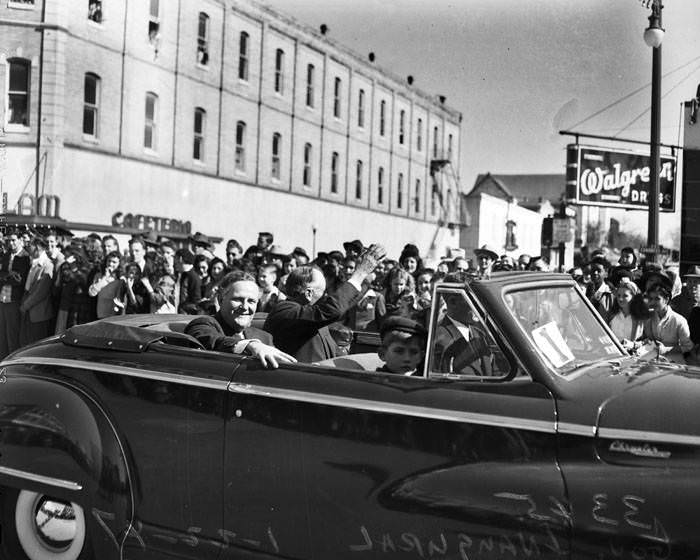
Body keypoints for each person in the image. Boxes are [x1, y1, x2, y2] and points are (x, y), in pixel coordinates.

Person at [264, 244, 386, 362]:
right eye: (323, 292)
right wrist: (360, 273)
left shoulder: (310, 317)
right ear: (309, 294)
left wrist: (364, 278)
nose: (327, 297)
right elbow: (332, 309)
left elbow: (344, 304)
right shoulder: (285, 311)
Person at [185, 271, 296, 368]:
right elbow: (213, 341)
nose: (245, 307)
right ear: (220, 299)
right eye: (238, 299)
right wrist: (250, 346)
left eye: (251, 301)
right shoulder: (203, 325)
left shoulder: (265, 338)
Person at [431, 271, 493, 376]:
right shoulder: (441, 340)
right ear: (453, 302)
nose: (480, 305)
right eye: (473, 300)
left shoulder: (479, 334)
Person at [642, 282, 693, 364]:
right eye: (651, 299)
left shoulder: (679, 320)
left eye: (657, 299)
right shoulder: (649, 318)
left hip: (674, 363)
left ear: (666, 299)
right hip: (653, 360)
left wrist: (666, 349)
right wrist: (647, 342)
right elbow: (650, 339)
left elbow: (688, 346)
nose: (653, 302)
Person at [19, 236, 55, 347]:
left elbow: (41, 292)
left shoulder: (47, 265)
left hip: (39, 314)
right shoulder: (34, 263)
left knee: (35, 346)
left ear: (38, 247)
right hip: (29, 313)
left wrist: (25, 305)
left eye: (31, 246)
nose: (28, 248)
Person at [0, 231, 31, 358]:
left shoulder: (25, 257)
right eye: (8, 241)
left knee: (12, 335)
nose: (11, 243)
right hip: (2, 299)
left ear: (20, 240)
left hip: (14, 300)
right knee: (2, 335)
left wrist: (5, 276)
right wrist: (9, 274)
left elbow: (19, 280)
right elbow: (2, 274)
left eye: (13, 240)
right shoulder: (7, 255)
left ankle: (12, 362)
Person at [607, 281, 644, 353]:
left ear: (634, 297)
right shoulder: (611, 314)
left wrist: (633, 345)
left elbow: (646, 341)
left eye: (625, 296)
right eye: (618, 295)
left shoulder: (641, 318)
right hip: (611, 353)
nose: (620, 299)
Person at [88, 251, 124, 319]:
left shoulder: (121, 278)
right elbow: (91, 293)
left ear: (119, 264)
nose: (110, 264)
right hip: (101, 313)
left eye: (114, 262)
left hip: (115, 314)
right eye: (109, 261)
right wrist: (104, 279)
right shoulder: (99, 276)